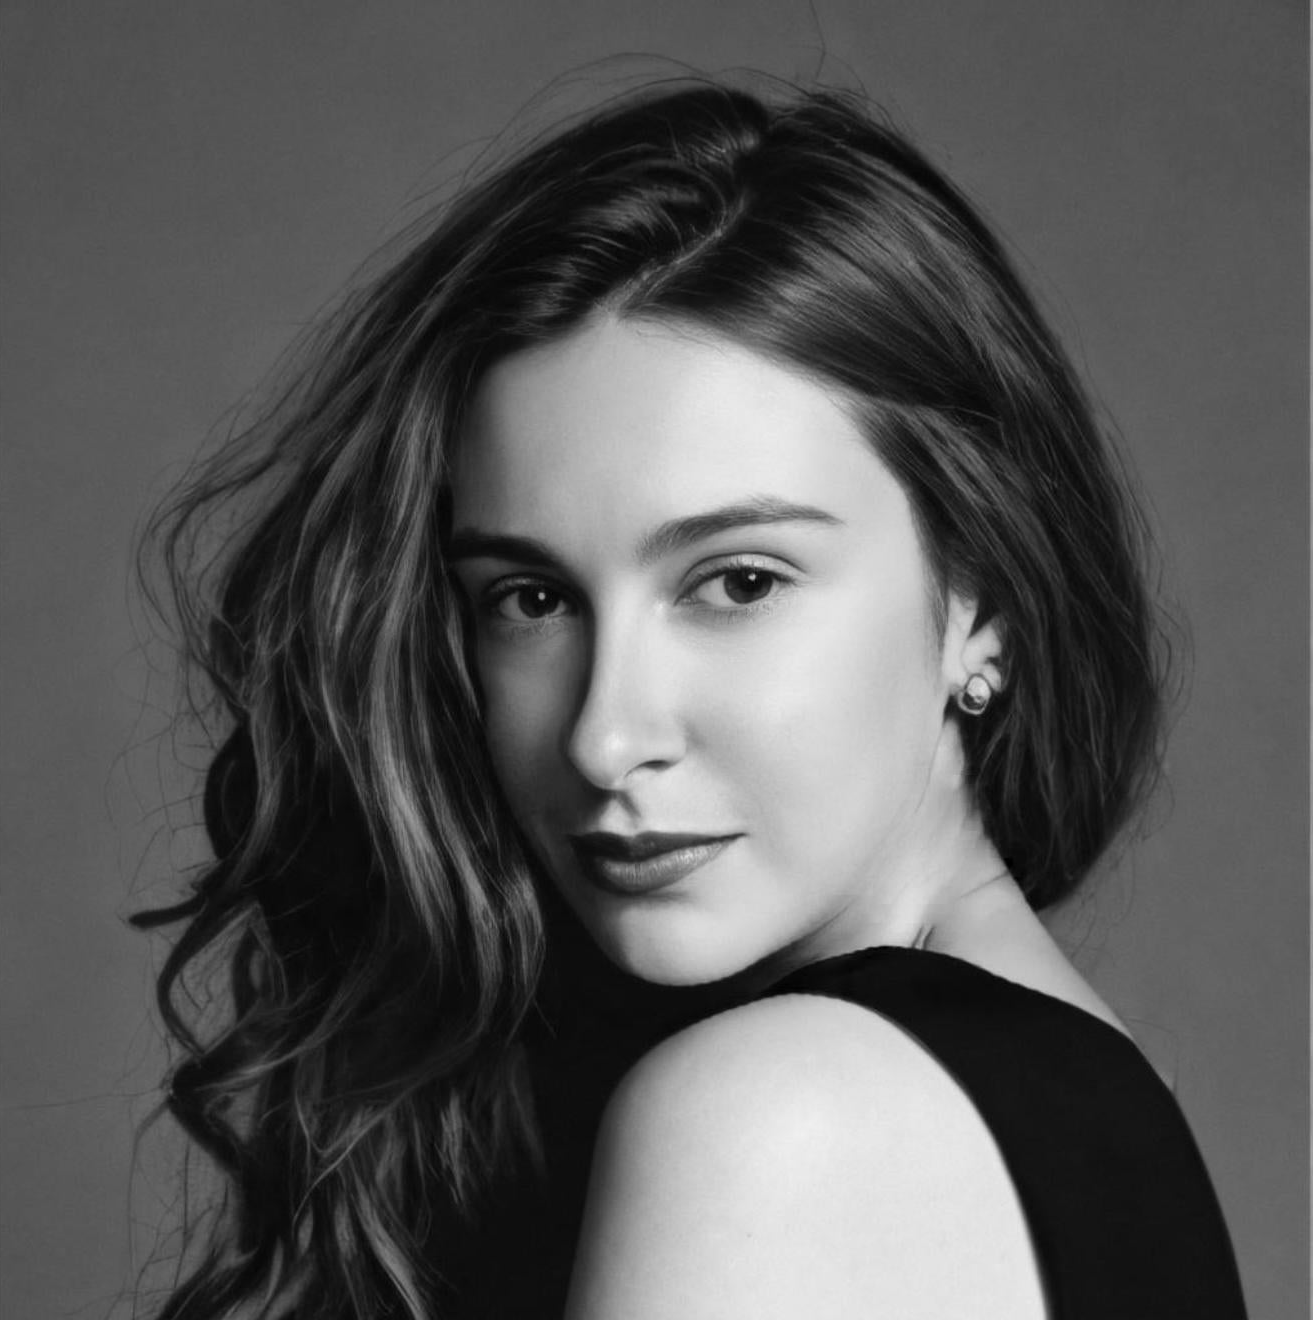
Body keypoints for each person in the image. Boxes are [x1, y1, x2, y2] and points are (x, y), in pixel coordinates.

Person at [136, 79, 1247, 1319]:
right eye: (531, 600)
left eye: (737, 581)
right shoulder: (1062, 1103)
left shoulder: (782, 1118)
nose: (604, 735)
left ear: (981, 599)